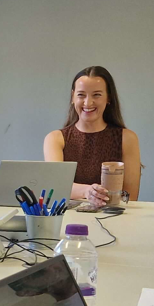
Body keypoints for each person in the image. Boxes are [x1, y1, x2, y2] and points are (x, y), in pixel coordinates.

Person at [42, 66, 141, 208]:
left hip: (114, 220)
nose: (88, 103)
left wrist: (93, 195)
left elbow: (130, 196)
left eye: (97, 95)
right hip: (68, 220)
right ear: (72, 97)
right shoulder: (55, 139)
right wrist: (87, 191)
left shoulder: (127, 138)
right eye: (81, 95)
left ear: (109, 98)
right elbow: (56, 186)